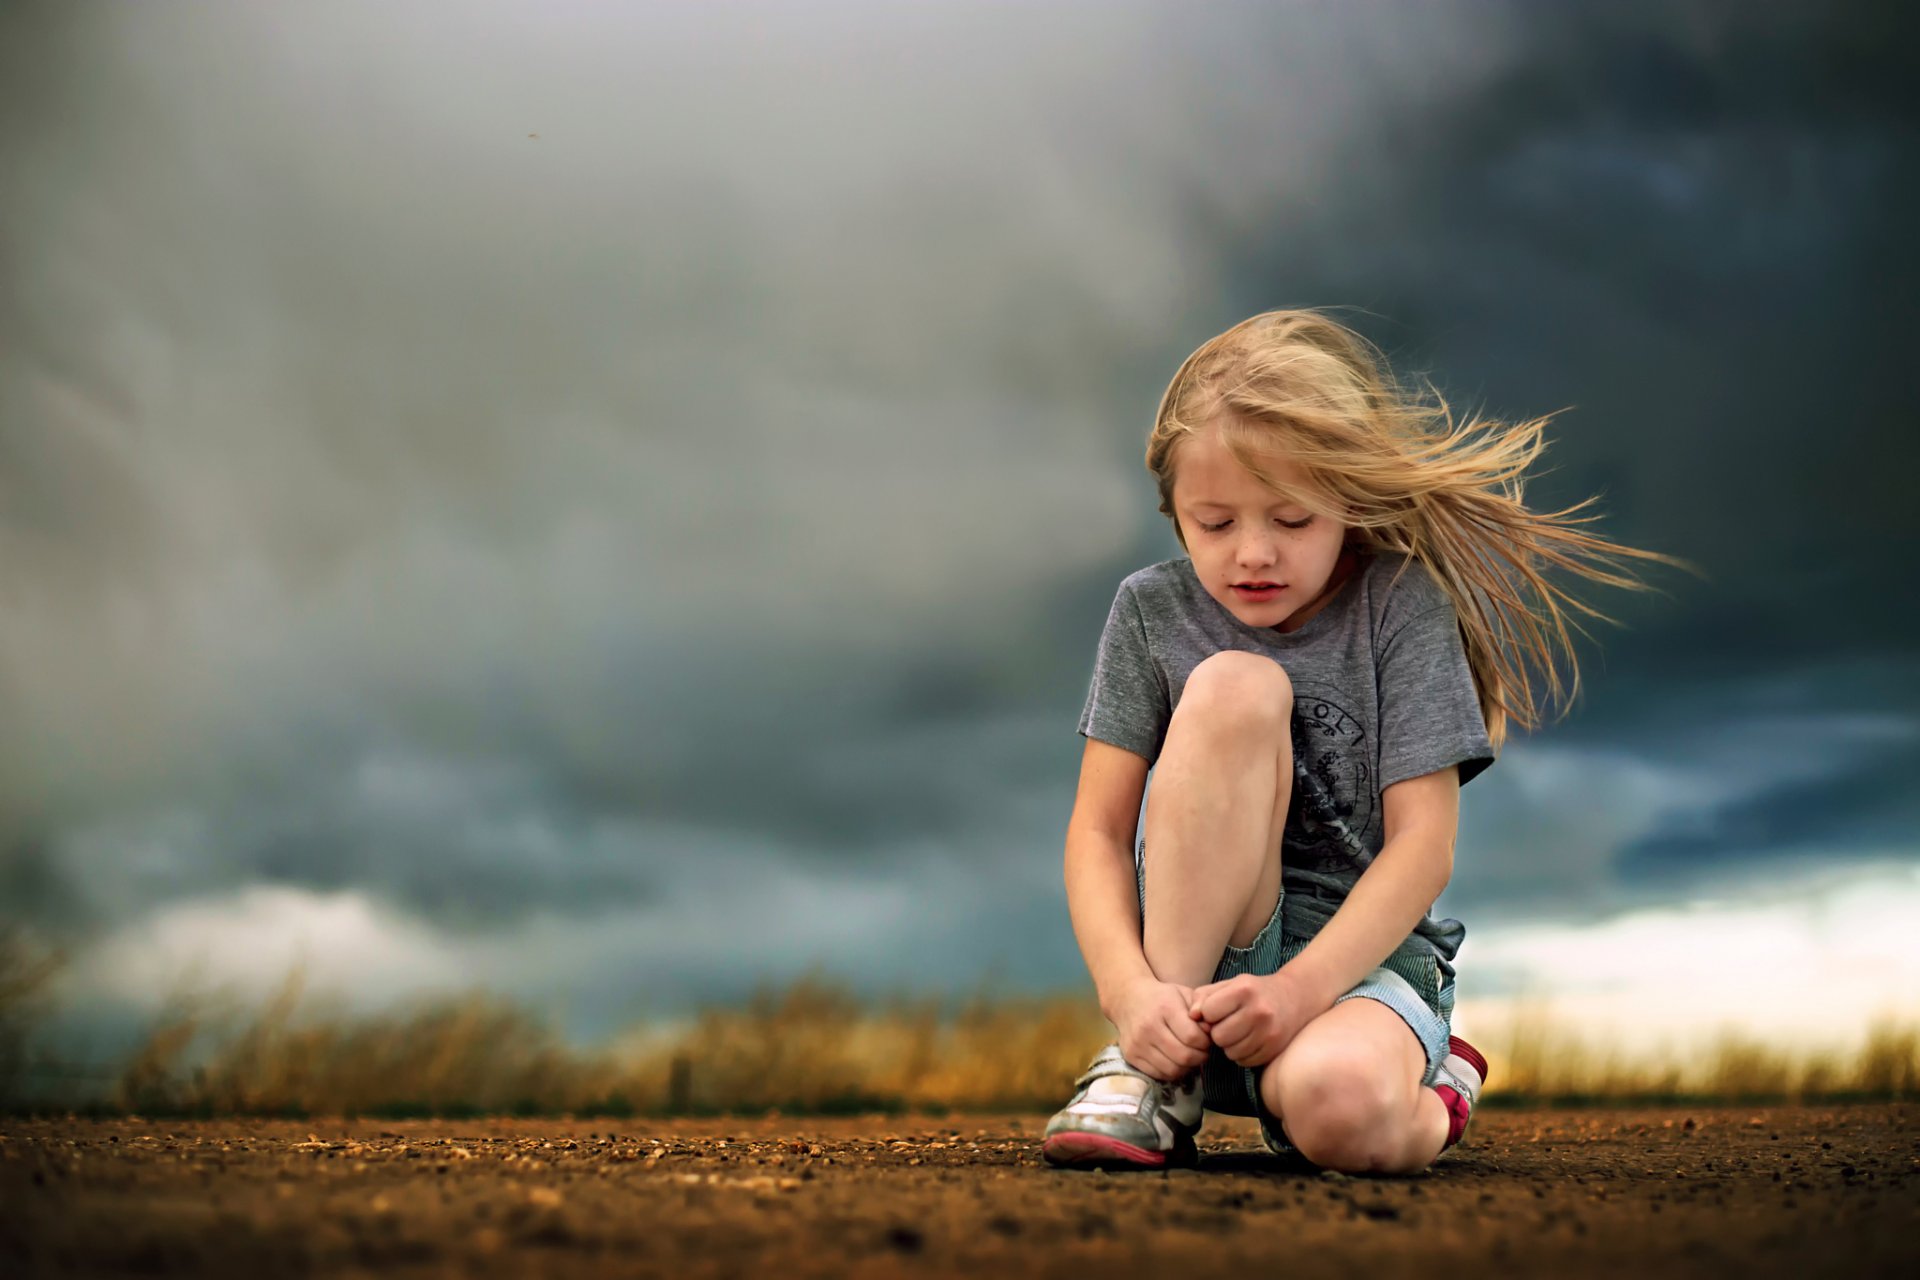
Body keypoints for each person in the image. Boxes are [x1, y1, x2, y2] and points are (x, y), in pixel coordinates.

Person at [1041, 309, 1684, 1175]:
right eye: (1215, 522)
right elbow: (1097, 832)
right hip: (1190, 988)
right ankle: (1154, 1085)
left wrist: (1300, 991)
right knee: (1234, 683)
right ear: (1172, 511)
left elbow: (1425, 845)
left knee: (1338, 1112)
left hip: (1359, 977)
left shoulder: (1401, 606)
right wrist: (1131, 998)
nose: (1254, 553)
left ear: (1348, 500)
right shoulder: (1151, 612)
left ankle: (1438, 1090)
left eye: (1293, 519)